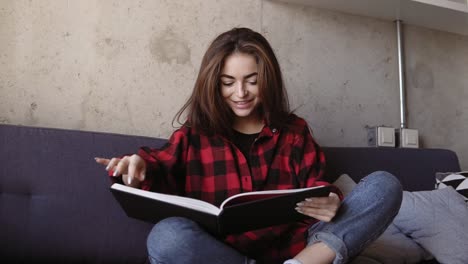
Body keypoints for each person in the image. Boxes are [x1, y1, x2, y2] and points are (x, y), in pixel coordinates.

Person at [95, 28, 402, 264]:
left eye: (252, 81)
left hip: (297, 248)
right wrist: (136, 167)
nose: (240, 92)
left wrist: (330, 199)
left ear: (267, 79)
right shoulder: (194, 135)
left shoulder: (294, 131)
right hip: (221, 253)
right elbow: (157, 164)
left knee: (385, 185)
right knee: (166, 236)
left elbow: (316, 184)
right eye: (228, 82)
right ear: (214, 83)